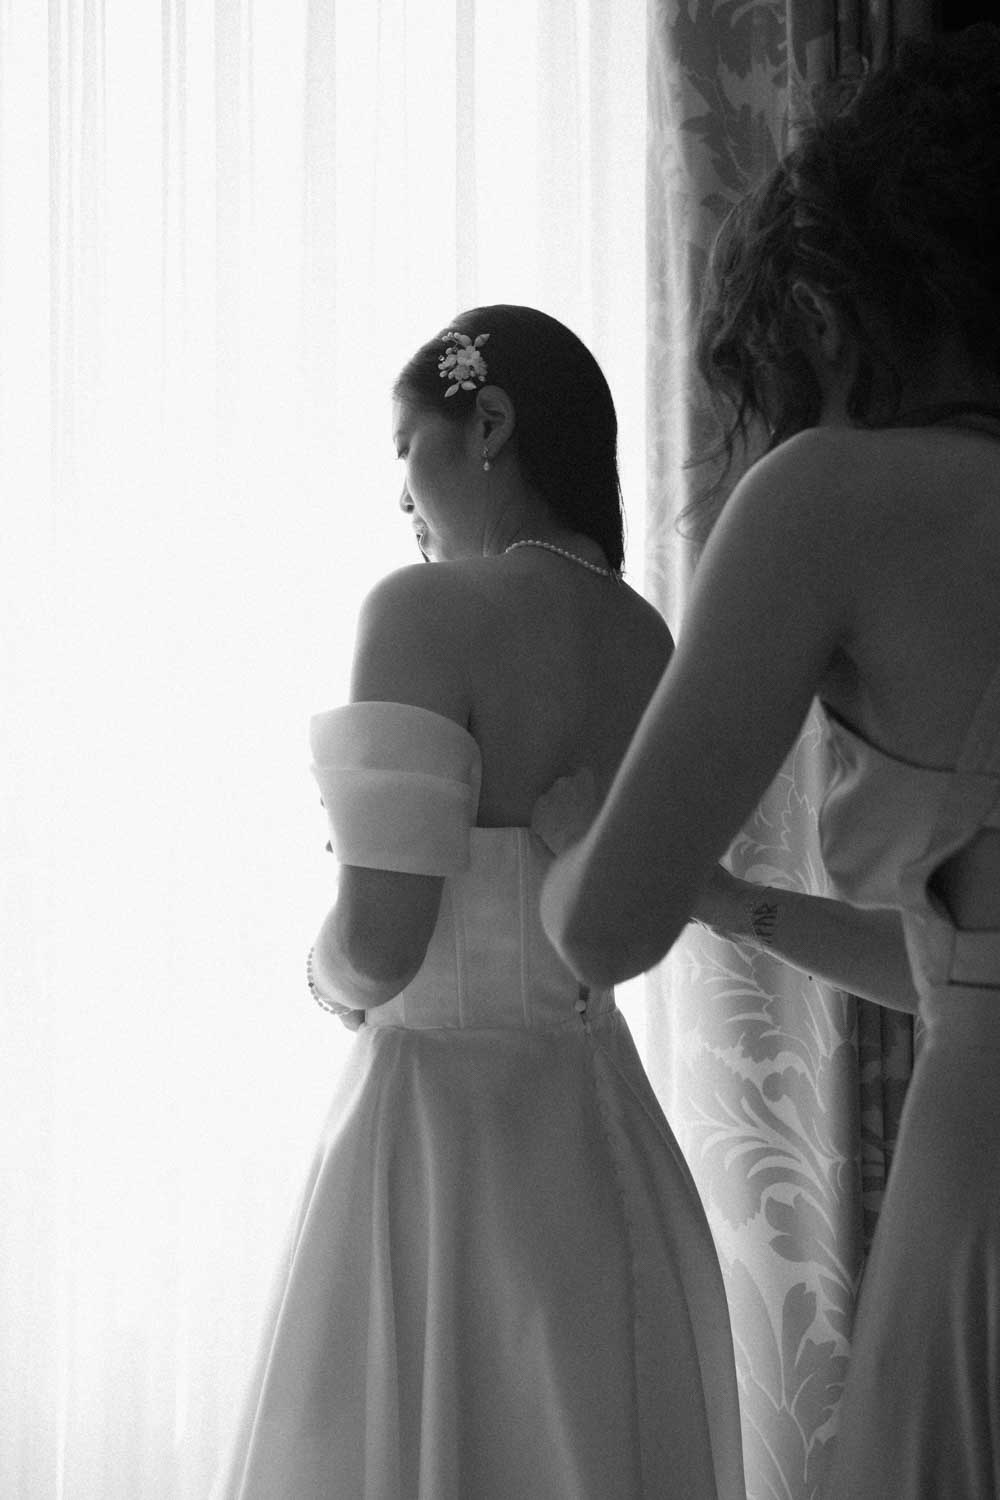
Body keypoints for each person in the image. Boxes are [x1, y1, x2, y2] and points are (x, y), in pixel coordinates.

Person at [541, 28, 1000, 1500]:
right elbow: (958, 967)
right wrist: (743, 909)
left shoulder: (832, 496)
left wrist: (562, 854)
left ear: (835, 298)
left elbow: (602, 927)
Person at [212, 305, 746, 1500]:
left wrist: (320, 978)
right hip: (604, 1140)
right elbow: (622, 927)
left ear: (488, 424)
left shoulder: (423, 613)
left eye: (406, 450)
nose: (401, 500)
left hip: (440, 1148)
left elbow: (379, 946)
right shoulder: (647, 640)